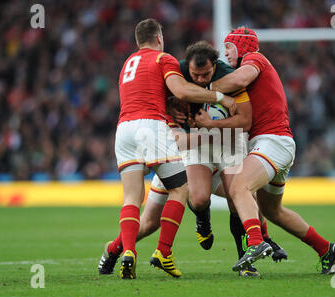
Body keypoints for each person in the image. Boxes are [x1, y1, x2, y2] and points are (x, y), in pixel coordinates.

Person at [98, 41, 287, 278]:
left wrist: (211, 126)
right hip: (183, 153)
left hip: (227, 144)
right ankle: (116, 249)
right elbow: (175, 134)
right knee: (153, 220)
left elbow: (245, 122)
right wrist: (175, 112)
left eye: (205, 74)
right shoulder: (177, 75)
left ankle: (248, 259)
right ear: (188, 67)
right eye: (195, 75)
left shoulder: (229, 76)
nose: (199, 80)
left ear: (214, 66)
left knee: (238, 196)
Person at [99, 19, 237, 279]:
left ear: (138, 41)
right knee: (181, 187)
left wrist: (169, 103)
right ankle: (163, 251)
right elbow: (182, 90)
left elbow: (155, 93)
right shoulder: (164, 59)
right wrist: (221, 97)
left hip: (124, 129)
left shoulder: (128, 63)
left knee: (131, 198)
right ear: (159, 38)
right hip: (151, 127)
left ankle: (127, 251)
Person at [210, 27, 335, 274]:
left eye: (228, 46)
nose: (224, 52)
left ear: (241, 46)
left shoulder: (254, 59)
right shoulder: (243, 69)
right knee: (272, 210)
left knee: (239, 187)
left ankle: (255, 242)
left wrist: (205, 87)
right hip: (275, 144)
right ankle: (326, 249)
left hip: (271, 142)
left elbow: (239, 80)